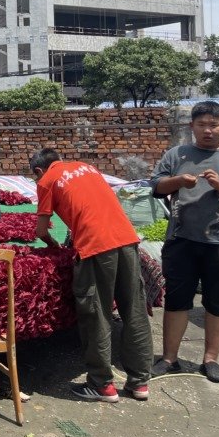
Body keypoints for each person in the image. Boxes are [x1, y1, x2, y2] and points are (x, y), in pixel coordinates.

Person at [30, 148, 153, 402]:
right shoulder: (88, 168)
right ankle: (139, 383)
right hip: (127, 240)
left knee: (96, 312)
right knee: (134, 310)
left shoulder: (47, 180)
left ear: (39, 171)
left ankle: (101, 384)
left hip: (96, 247)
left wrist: (55, 247)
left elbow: (41, 230)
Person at [150, 100, 219, 383]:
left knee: (218, 302)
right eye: (201, 124)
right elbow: (155, 186)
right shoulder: (177, 154)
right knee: (177, 300)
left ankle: (211, 360)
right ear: (191, 126)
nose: (207, 130)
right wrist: (179, 180)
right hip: (181, 239)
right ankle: (169, 358)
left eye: (213, 125)